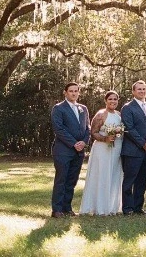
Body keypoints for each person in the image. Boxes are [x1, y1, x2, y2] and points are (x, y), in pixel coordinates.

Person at [80, 90, 124, 216]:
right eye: (110, 99)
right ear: (105, 101)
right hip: (102, 149)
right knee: (102, 175)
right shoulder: (100, 115)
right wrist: (105, 138)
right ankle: (99, 206)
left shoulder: (119, 114)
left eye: (115, 99)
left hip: (116, 148)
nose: (113, 101)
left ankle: (111, 206)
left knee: (114, 174)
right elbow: (93, 132)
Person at [51, 82, 90, 218]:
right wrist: (74, 143)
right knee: (61, 179)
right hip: (63, 150)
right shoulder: (59, 108)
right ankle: (56, 209)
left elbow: (87, 128)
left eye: (76, 91)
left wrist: (84, 142)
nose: (74, 93)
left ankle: (67, 207)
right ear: (65, 93)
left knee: (72, 181)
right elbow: (59, 129)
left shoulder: (83, 108)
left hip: (79, 151)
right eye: (71, 91)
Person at [121, 80, 146, 215]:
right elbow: (129, 128)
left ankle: (137, 206)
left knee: (143, 180)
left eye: (144, 89)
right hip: (132, 150)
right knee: (130, 179)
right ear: (133, 91)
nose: (142, 91)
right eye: (139, 89)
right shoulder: (127, 107)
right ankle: (128, 208)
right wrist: (143, 143)